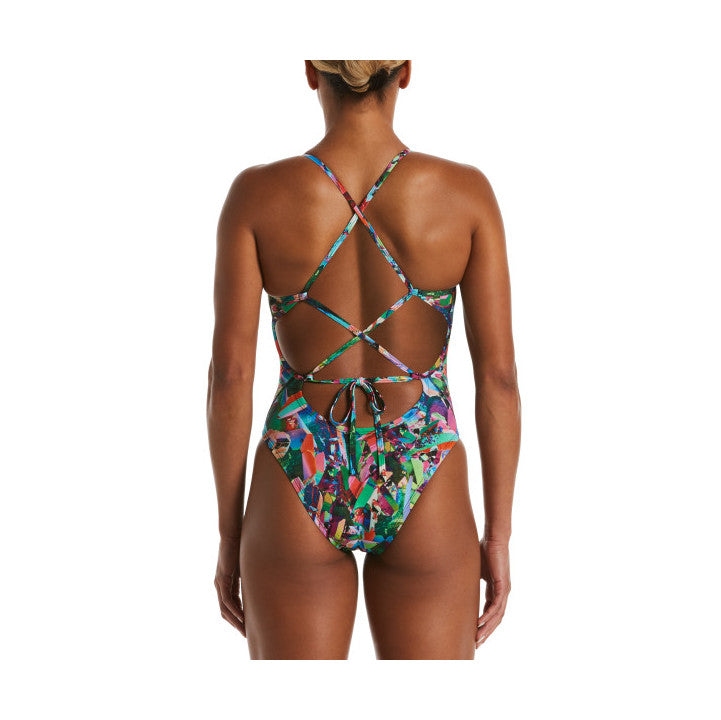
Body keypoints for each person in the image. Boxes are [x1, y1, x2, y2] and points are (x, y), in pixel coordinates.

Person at [207, 60, 521, 660]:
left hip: (299, 459)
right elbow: (499, 379)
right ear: (404, 72)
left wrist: (229, 537)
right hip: (421, 458)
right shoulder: (465, 194)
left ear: (311, 72)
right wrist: (498, 538)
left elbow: (230, 378)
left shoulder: (257, 195)